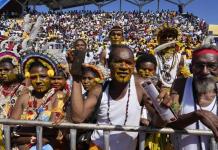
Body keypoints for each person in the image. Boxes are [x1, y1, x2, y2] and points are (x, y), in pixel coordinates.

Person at [71, 45, 162, 150]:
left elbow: (158, 122)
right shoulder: (98, 89)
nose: (123, 66)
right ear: (109, 64)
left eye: (128, 63)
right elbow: (78, 118)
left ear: (133, 66)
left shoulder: (141, 86)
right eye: (118, 62)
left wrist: (163, 110)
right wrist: (76, 78)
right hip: (98, 146)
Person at [160, 45, 218, 150]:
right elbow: (171, 121)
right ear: (191, 68)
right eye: (199, 66)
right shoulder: (180, 85)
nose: (205, 71)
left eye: (211, 66)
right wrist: (199, 115)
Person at [10, 51, 66, 150]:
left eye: (43, 76)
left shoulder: (58, 97)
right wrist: (28, 136)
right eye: (33, 77)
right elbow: (11, 126)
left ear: (50, 76)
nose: (38, 81)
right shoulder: (24, 97)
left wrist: (23, 133)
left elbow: (51, 129)